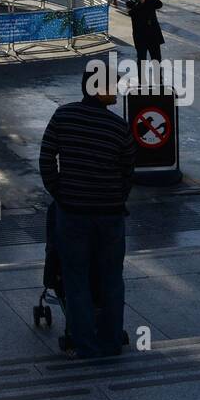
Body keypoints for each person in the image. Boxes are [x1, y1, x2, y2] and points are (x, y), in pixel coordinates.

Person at [37, 67, 134, 359]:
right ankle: (111, 341)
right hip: (110, 216)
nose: (115, 91)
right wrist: (115, 198)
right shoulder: (119, 128)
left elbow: (45, 159)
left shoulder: (63, 117)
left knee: (76, 277)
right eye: (111, 86)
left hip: (73, 214)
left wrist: (60, 193)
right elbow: (128, 172)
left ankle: (84, 343)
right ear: (97, 89)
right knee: (111, 278)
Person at [125, 0, 165, 71]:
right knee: (142, 61)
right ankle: (142, 82)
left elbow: (159, 5)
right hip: (140, 36)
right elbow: (132, 13)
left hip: (153, 35)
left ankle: (159, 82)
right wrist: (141, 2)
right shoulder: (130, 2)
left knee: (157, 60)